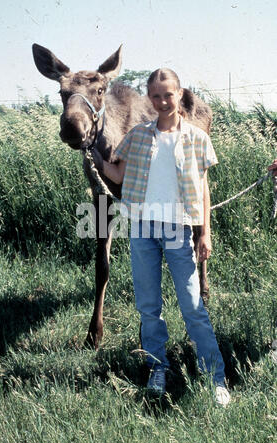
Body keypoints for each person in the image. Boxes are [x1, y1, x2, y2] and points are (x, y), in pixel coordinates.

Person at [93, 68, 230, 407]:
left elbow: (203, 189)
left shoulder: (197, 138)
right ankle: (158, 369)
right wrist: (92, 153)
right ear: (149, 99)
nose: (162, 101)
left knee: (193, 307)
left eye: (168, 95)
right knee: (149, 307)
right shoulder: (138, 135)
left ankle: (216, 378)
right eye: (155, 96)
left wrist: (204, 232)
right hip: (141, 230)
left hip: (177, 230)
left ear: (179, 94)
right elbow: (117, 173)